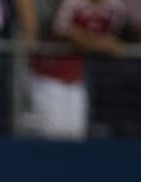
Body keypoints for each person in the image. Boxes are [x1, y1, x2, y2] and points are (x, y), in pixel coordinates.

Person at [21, 0, 127, 140]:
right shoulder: (72, 3)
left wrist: (98, 42)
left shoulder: (115, 7)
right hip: (48, 76)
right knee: (53, 134)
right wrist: (98, 43)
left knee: (76, 134)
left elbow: (115, 38)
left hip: (76, 79)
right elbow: (61, 29)